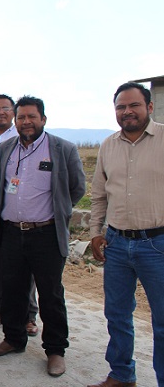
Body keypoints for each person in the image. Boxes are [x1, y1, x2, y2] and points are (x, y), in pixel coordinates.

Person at [0, 96, 86, 379]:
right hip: (11, 233)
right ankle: (13, 339)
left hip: (46, 234)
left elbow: (76, 188)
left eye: (31, 117)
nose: (26, 122)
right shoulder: (6, 148)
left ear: (43, 119)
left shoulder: (62, 149)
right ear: (15, 121)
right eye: (21, 117)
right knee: (12, 290)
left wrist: (57, 212)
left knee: (51, 294)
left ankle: (55, 350)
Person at [87, 82, 164, 387]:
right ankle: (121, 375)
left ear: (149, 107)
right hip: (117, 244)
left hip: (158, 244)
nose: (127, 111)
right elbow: (98, 195)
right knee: (117, 315)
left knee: (162, 323)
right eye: (121, 107)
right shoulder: (108, 145)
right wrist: (95, 232)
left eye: (134, 105)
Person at [0, 94, 39, 337]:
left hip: (19, 212)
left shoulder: (21, 139)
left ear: (13, 114)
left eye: (6, 108)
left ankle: (29, 315)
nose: (1, 112)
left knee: (26, 268)